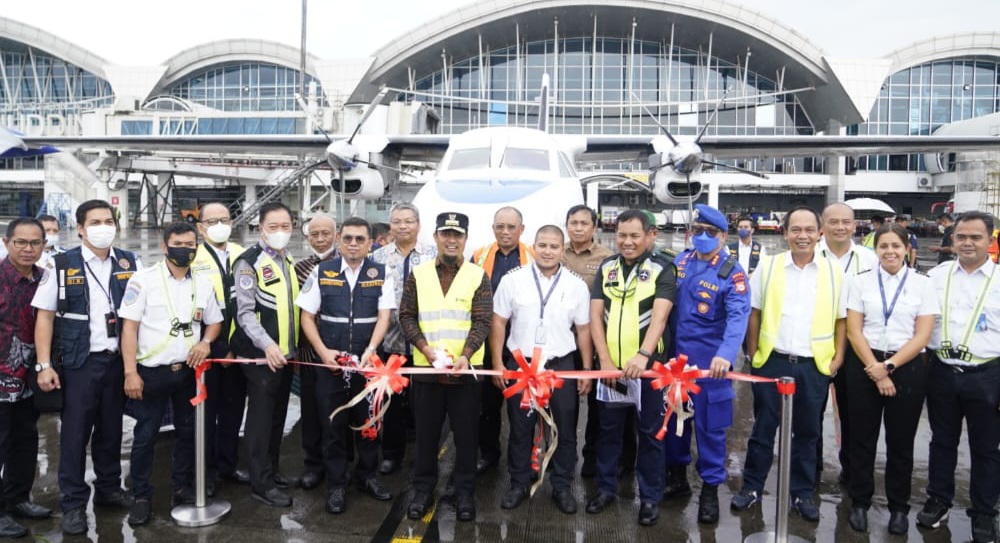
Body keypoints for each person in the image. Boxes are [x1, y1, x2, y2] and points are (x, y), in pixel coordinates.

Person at [731, 206, 848, 523]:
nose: (802, 236)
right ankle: (751, 488)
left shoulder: (834, 272)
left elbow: (841, 319)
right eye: (795, 229)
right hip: (772, 362)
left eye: (809, 230)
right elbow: (754, 311)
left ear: (819, 233)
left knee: (807, 434)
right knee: (762, 431)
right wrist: (753, 353)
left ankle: (802, 493)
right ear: (785, 233)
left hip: (813, 366)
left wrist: (837, 358)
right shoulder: (769, 267)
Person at [33, 199, 139, 535]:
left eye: (108, 221)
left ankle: (108, 489)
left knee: (111, 429)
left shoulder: (128, 261)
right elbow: (44, 317)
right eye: (95, 222)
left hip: (115, 361)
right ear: (80, 229)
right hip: (80, 363)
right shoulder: (62, 265)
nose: (103, 227)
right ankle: (74, 504)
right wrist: (44, 365)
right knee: (75, 435)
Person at [118, 221, 223, 525]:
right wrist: (130, 372)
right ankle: (141, 496)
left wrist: (206, 342)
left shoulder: (202, 282)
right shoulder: (143, 280)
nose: (185, 249)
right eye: (178, 244)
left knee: (187, 433)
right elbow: (129, 328)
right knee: (146, 436)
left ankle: (180, 487)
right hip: (151, 373)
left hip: (188, 373)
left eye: (191, 244)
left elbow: (214, 322)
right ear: (165, 247)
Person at [843, 223, 938, 534]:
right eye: (883, 246)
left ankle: (899, 507)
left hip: (906, 366)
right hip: (865, 363)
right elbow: (854, 330)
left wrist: (889, 367)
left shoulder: (923, 284)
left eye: (896, 246)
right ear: (876, 250)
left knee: (900, 442)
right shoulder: (860, 282)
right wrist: (875, 367)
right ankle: (859, 502)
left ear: (907, 249)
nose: (890, 252)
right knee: (861, 439)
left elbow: (922, 335)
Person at [492, 225, 592, 514]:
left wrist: (586, 369)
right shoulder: (513, 280)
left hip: (560, 367)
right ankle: (519, 483)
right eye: (542, 245)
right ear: (533, 246)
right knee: (520, 427)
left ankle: (561, 486)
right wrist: (497, 364)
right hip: (522, 366)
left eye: (554, 246)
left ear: (562, 249)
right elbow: (498, 322)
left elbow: (583, 329)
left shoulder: (576, 285)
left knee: (565, 428)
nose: (548, 251)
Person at [399, 212, 492, 522]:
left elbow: (482, 320)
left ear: (465, 239)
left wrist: (466, 354)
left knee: (466, 437)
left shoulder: (478, 275)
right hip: (427, 371)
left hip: (465, 372)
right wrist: (425, 349)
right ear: (436, 237)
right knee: (426, 437)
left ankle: (464, 493)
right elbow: (406, 316)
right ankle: (422, 491)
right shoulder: (419, 274)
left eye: (457, 235)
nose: (451, 240)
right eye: (445, 234)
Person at [297, 217, 395, 514]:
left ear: (370, 243)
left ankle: (367, 475)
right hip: (332, 366)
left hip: (368, 365)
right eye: (348, 238)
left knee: (369, 423)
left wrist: (371, 350)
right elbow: (306, 317)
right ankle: (337, 484)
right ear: (340, 240)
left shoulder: (381, 273)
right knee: (333, 426)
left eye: (360, 239)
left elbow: (384, 316)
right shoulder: (322, 271)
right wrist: (323, 353)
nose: (353, 244)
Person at [586, 209, 676, 527]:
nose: (627, 242)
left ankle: (649, 498)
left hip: (648, 372)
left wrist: (643, 355)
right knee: (609, 432)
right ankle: (606, 489)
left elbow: (660, 318)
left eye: (635, 236)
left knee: (650, 435)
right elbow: (595, 315)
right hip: (612, 371)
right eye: (622, 235)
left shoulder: (663, 268)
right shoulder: (608, 267)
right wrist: (604, 360)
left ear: (651, 235)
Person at [662, 205, 750, 524]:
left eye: (710, 232)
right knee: (675, 423)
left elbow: (738, 318)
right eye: (697, 230)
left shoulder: (732, 273)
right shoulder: (681, 262)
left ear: (723, 237)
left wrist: (726, 354)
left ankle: (710, 490)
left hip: (711, 368)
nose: (702, 236)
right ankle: (677, 478)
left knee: (710, 430)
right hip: (676, 365)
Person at [917, 211, 1000, 543]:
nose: (967, 243)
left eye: (975, 237)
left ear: (990, 240)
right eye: (961, 237)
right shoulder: (936, 277)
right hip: (942, 371)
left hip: (987, 374)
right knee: (942, 441)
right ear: (952, 240)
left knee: (987, 449)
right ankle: (938, 501)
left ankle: (984, 513)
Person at [230, 202, 301, 507]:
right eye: (273, 227)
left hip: (285, 355)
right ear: (261, 229)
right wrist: (268, 345)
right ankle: (260, 483)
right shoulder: (249, 263)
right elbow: (244, 313)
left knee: (277, 416)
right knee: (260, 421)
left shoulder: (287, 258)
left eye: (286, 226)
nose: (280, 232)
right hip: (261, 356)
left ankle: (272, 471)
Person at [371, 203, 437, 475]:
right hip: (392, 343)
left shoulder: (433, 255)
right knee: (392, 403)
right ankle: (391, 454)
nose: (403, 226)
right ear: (390, 225)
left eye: (408, 221)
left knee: (424, 405)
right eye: (397, 221)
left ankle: (424, 456)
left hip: (425, 344)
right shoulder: (377, 257)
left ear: (418, 225)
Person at [815, 202, 878, 486]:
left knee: (854, 413)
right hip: (816, 344)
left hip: (856, 346)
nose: (840, 227)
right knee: (811, 413)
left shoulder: (869, 259)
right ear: (823, 226)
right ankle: (811, 469)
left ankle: (851, 470)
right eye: (833, 222)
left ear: (854, 226)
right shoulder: (810, 254)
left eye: (846, 222)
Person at [191, 202, 249, 494]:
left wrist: (237, 347)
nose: (219, 226)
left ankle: (228, 464)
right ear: (201, 227)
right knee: (206, 413)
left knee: (233, 409)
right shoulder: (193, 257)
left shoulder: (243, 254)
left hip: (239, 347)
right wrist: (219, 348)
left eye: (224, 220)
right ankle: (207, 471)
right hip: (209, 347)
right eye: (212, 221)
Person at [472, 206, 533, 475]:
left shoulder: (534, 256)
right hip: (486, 342)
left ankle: (526, 459)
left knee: (525, 405)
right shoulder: (479, 256)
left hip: (522, 344)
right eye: (500, 227)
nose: (505, 232)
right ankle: (489, 454)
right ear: (493, 228)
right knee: (487, 405)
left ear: (522, 229)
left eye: (511, 227)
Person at [0, 218, 50, 538]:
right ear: (7, 243)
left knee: (25, 441)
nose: (28, 249)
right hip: (0, 379)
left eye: (35, 243)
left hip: (30, 379)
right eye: (21, 242)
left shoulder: (46, 280)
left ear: (44, 245)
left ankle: (18, 499)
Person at [561, 204, 616, 478]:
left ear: (594, 227)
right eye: (574, 223)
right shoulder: (557, 252)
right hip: (563, 343)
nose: (579, 228)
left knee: (597, 405)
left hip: (595, 340)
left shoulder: (607, 258)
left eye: (584, 223)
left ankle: (591, 458)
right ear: (567, 225)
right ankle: (563, 454)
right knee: (564, 404)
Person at [292, 213, 338, 491]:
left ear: (336, 234)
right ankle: (313, 465)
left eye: (325, 233)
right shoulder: (299, 268)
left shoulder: (347, 264)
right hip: (310, 355)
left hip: (342, 356)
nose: (320, 239)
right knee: (310, 412)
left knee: (339, 414)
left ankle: (340, 465)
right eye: (314, 234)